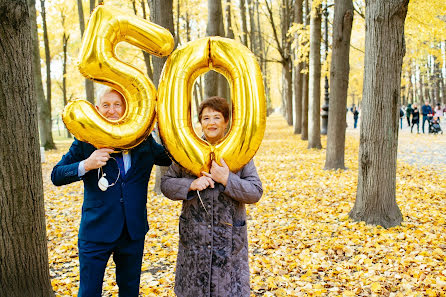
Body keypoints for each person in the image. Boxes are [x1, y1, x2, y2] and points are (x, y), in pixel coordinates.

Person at [51, 87, 171, 297]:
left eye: (117, 105)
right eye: (106, 105)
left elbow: (170, 157)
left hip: (132, 232)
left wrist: (157, 128)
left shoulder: (144, 141)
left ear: (126, 109)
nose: (112, 110)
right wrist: (86, 164)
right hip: (96, 231)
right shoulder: (85, 141)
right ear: (97, 110)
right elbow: (56, 175)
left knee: (130, 291)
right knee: (88, 292)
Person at [160, 96, 263, 297]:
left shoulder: (242, 152)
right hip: (195, 240)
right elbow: (166, 184)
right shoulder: (186, 151)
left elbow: (255, 192)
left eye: (217, 117)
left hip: (229, 242)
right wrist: (191, 184)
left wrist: (227, 179)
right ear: (200, 122)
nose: (211, 122)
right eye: (206, 118)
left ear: (226, 122)